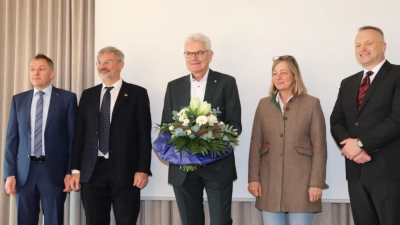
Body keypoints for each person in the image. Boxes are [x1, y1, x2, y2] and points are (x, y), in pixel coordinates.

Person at [161, 33, 242, 225]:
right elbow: (166, 127)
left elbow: (235, 125)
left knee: (221, 222)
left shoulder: (226, 82)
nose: (193, 58)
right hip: (183, 167)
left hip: (217, 166)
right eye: (189, 53)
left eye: (198, 52)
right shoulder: (174, 86)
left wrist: (210, 133)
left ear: (210, 55)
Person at [69, 46, 152, 225]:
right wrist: (75, 170)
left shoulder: (137, 94)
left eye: (108, 62)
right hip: (92, 172)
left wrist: (142, 169)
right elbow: (79, 135)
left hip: (126, 171)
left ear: (121, 64)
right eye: (99, 62)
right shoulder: (88, 95)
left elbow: (144, 135)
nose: (102, 66)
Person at [331, 26, 400, 225]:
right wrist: (352, 149)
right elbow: (336, 120)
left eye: (369, 43)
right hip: (356, 173)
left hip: (388, 171)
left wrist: (360, 144)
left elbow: (397, 119)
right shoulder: (348, 83)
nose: (363, 48)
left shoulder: (397, 75)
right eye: (358, 45)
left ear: (383, 46)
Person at [248, 55, 328, 225]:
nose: (278, 77)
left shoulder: (312, 104)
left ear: (294, 75)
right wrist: (253, 178)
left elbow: (320, 147)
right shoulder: (264, 105)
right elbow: (255, 145)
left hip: (302, 185)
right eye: (274, 73)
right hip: (269, 186)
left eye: (283, 72)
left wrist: (316, 183)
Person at [3, 54, 78, 225]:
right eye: (32, 69)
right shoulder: (18, 100)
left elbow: (73, 138)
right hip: (24, 173)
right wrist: (10, 173)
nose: (35, 73)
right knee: (25, 220)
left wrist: (70, 171)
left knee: (54, 220)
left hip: (54, 172)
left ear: (51, 73)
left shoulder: (67, 99)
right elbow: (11, 140)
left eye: (41, 69)